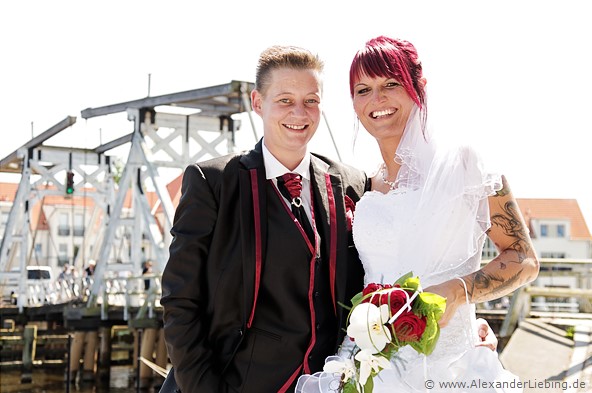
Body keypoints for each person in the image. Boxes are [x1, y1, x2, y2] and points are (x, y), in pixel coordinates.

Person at [160, 44, 499, 393]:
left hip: (330, 380)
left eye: (311, 100)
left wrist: (463, 317)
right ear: (258, 103)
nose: (299, 112)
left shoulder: (352, 183)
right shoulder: (212, 183)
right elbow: (180, 300)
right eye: (285, 100)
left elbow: (389, 262)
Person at [297, 36, 539, 392]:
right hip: (370, 364)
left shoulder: (465, 163)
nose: (376, 100)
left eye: (390, 84)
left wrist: (458, 293)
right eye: (363, 90)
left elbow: (524, 259)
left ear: (418, 88)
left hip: (450, 367)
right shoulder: (369, 182)